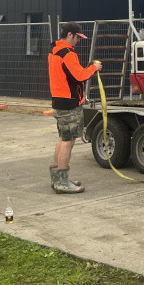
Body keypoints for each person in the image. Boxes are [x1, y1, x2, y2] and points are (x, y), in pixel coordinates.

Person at [47, 22, 102, 193]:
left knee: (62, 139)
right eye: (78, 37)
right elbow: (79, 76)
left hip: (59, 99)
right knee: (68, 141)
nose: (79, 40)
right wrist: (94, 68)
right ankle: (62, 183)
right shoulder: (68, 54)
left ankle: (58, 179)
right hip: (70, 102)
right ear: (70, 34)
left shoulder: (54, 50)